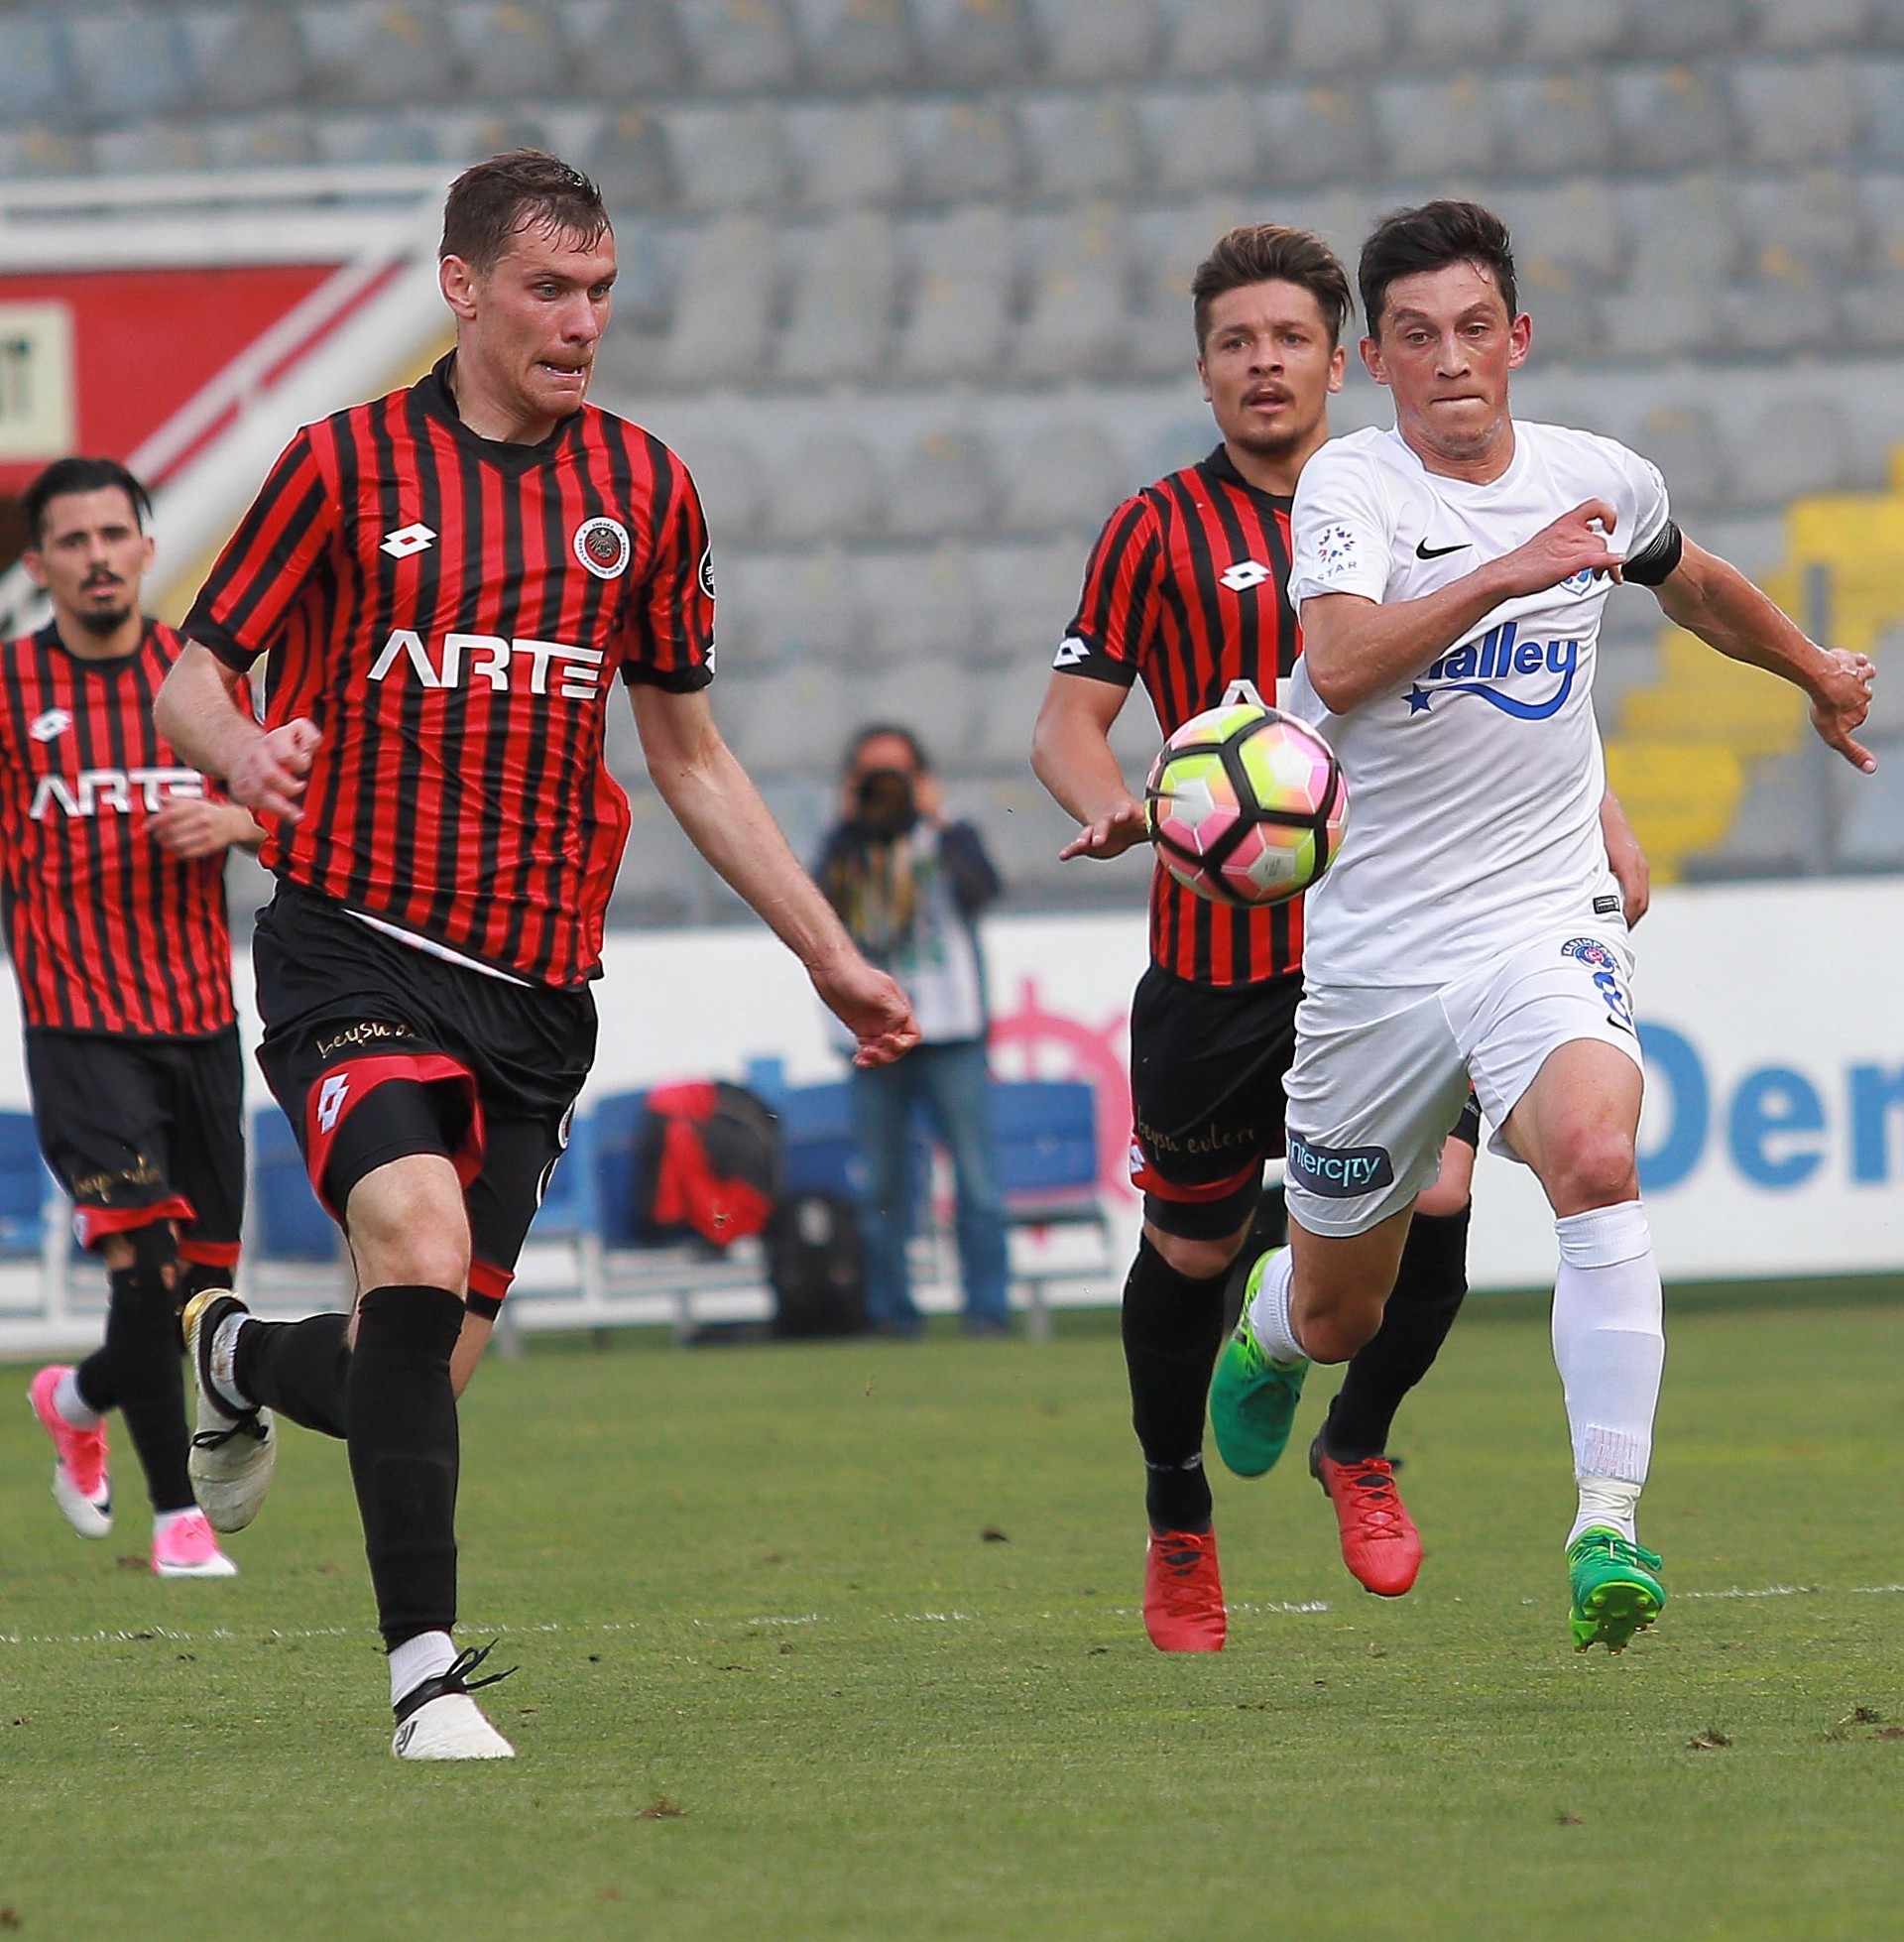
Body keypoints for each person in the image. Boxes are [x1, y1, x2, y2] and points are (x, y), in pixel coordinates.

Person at [155, 151, 917, 1760]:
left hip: (535, 999)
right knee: (416, 1244)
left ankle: (227, 1352)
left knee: (411, 1365)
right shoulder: (342, 467)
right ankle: (424, 1677)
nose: (582, 322)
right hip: (351, 948)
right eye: (549, 290)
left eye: (601, 292)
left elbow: (692, 757)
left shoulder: (646, 489)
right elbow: (192, 675)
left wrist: (830, 953)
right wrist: (242, 752)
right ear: (464, 288)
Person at [1213, 199, 1875, 1652]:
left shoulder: (1597, 478)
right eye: (1414, 337)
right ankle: (1271, 1324)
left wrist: (1812, 671)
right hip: (1379, 955)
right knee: (1340, 1312)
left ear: (1518, 337)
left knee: (1595, 1154)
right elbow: (1341, 659)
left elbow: (1693, 582)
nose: (1449, 360)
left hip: (1540, 915)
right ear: (1374, 361)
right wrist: (1505, 571)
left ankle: (1607, 1525)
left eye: (1473, 329)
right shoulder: (1351, 487)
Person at [1031, 224, 1651, 1653]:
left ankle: (1358, 1440)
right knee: (1192, 1247)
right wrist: (1114, 800)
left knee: (1438, 1200)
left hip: (1413, 942)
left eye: (1289, 340)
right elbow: (1067, 721)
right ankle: (1178, 1514)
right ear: (1204, 371)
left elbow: (1520, 692)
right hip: (1221, 957)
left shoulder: (1418, 493)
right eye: (1235, 343)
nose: (1264, 364)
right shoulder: (1157, 528)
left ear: (1339, 361)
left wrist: (1602, 814)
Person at [10, 456, 262, 1579]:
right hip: (78, 1024)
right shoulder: (10, 689)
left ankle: (76, 1398)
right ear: (39, 564)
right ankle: (176, 1521)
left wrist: (235, 822)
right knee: (144, 1268)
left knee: (194, 1293)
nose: (98, 556)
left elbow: (299, 814)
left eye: (115, 534)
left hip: (200, 1021)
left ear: (148, 550)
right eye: (73, 540)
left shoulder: (199, 685)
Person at [815, 725, 1010, 1335]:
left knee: (976, 1178)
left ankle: (987, 1313)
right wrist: (848, 825)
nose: (886, 789)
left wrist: (939, 819)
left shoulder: (947, 834)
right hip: (873, 1034)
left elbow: (984, 890)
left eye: (896, 775)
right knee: (881, 1184)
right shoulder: (845, 845)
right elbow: (814, 905)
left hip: (951, 1028)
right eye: (873, 777)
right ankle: (890, 1315)